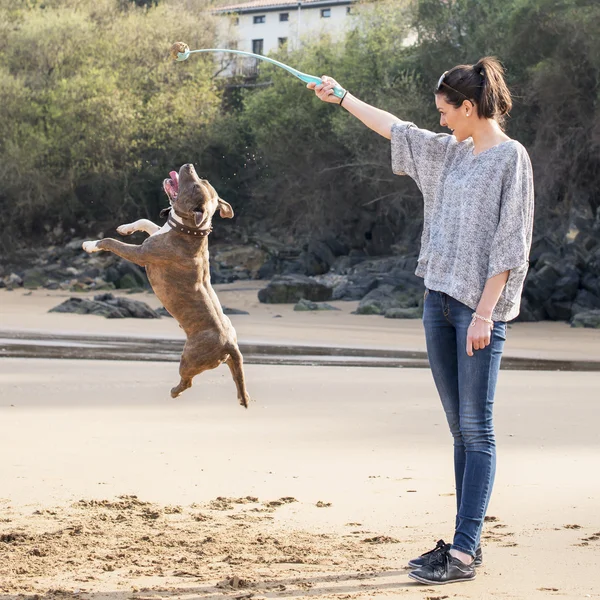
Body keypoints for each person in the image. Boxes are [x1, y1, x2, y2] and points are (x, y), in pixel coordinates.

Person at [308, 57, 534, 585]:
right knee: (459, 430)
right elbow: (395, 128)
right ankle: (464, 543)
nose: (439, 120)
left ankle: (462, 552)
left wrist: (484, 313)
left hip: (479, 314)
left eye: (445, 111)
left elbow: (512, 243)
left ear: (469, 107)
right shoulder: (448, 153)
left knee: (477, 430)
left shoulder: (511, 159)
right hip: (438, 303)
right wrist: (342, 96)